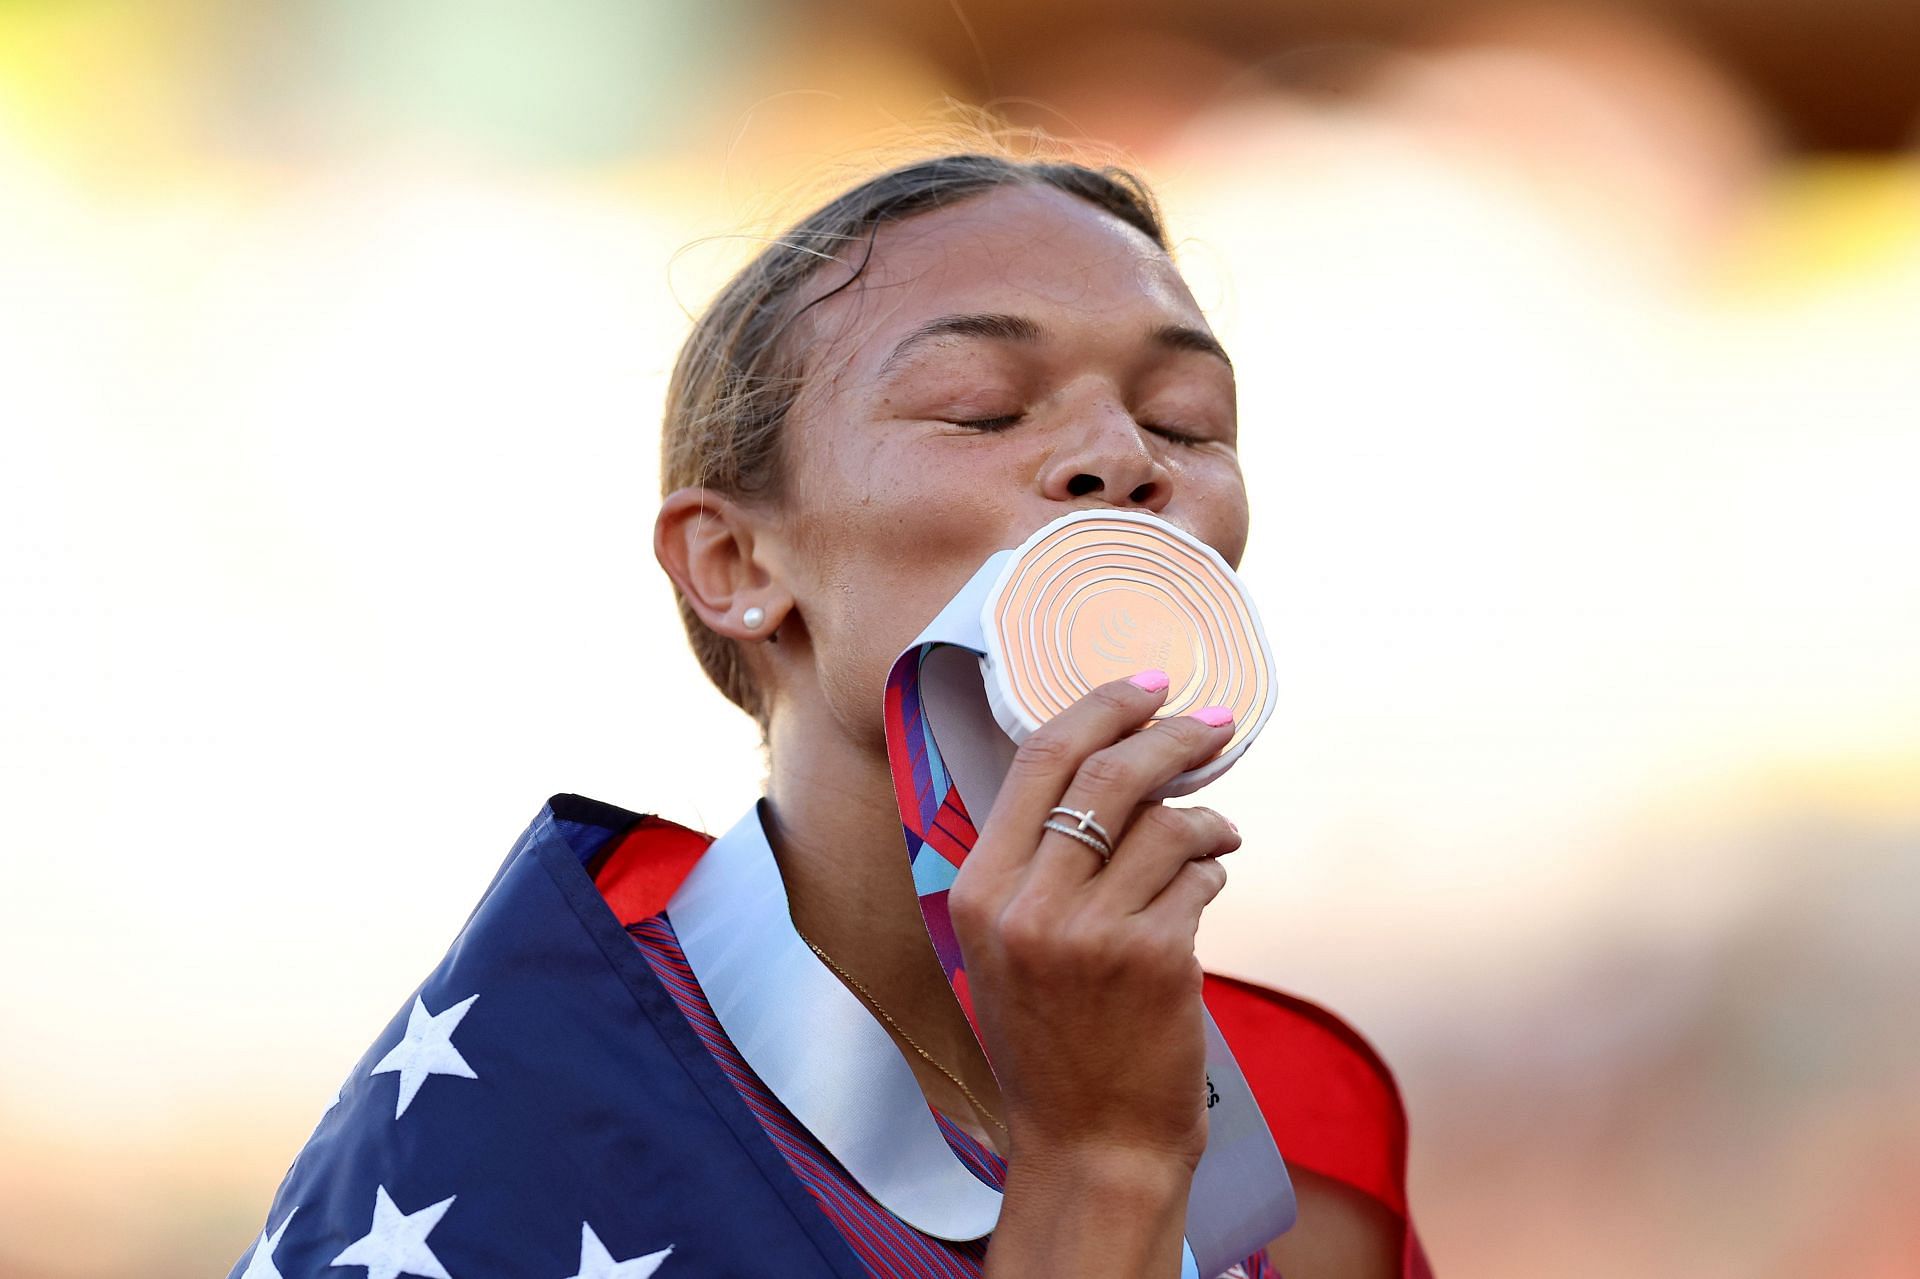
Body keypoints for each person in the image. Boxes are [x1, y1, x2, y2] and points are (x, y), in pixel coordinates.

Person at [229, 143, 1432, 1279]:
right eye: (980, 407)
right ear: (737, 563)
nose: (1121, 458)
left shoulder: (1296, 1182)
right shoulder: (509, 1134)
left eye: (1184, 421)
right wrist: (1100, 1167)